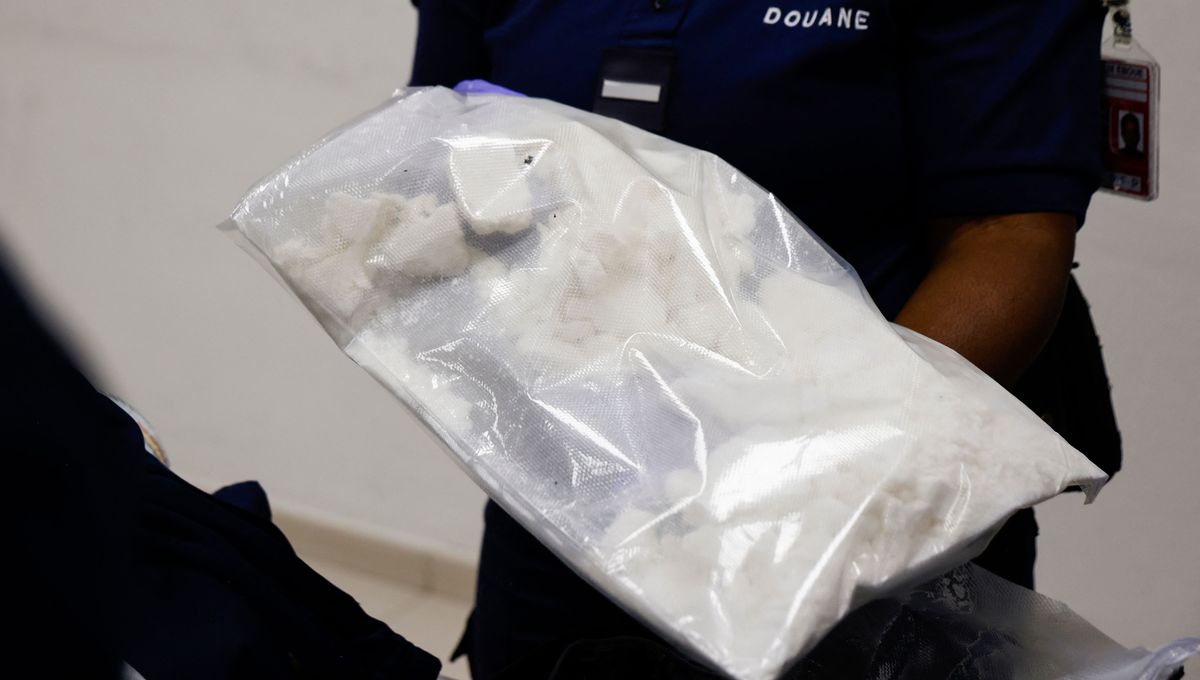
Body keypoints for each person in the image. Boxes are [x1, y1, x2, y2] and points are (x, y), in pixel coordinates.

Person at [408, 1, 1123, 677]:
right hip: (569, 488)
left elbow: (1004, 230)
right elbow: (436, 146)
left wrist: (813, 485)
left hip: (858, 502)